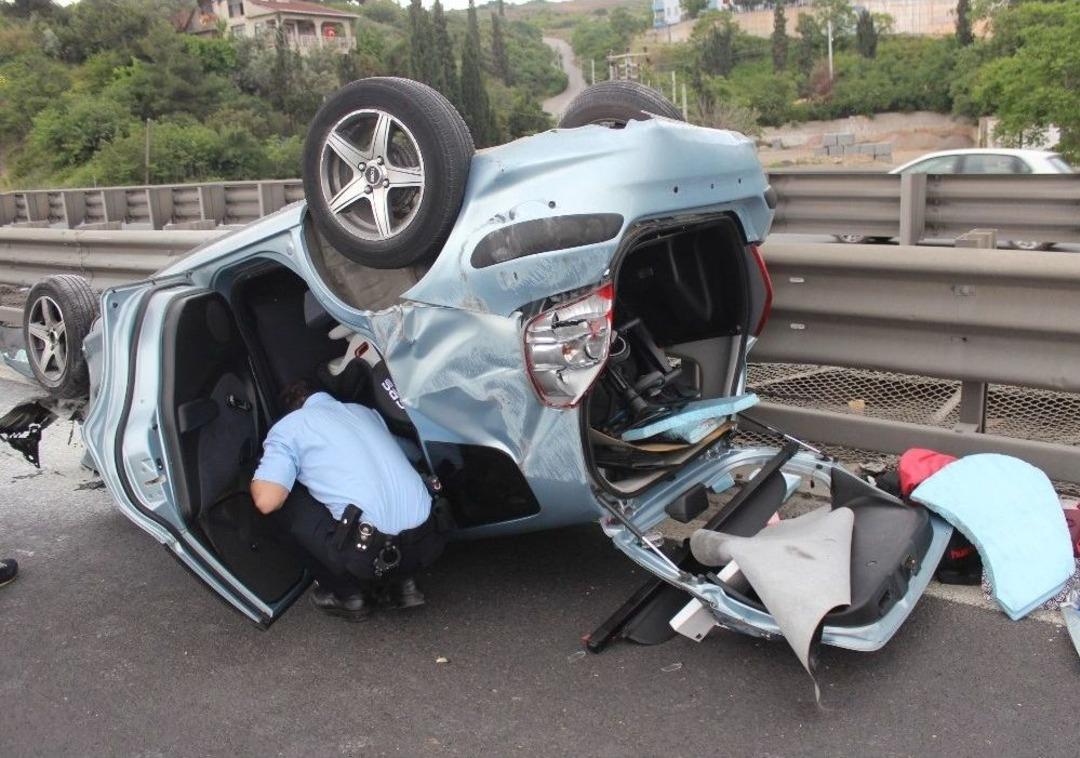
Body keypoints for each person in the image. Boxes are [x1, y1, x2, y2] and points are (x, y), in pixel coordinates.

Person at [251, 379, 444, 621]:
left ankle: (348, 595)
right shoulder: (365, 412)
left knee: (281, 498)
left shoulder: (289, 427)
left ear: (292, 410)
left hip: (368, 555)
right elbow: (412, 454)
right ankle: (403, 586)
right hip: (428, 542)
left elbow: (267, 501)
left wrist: (257, 473)